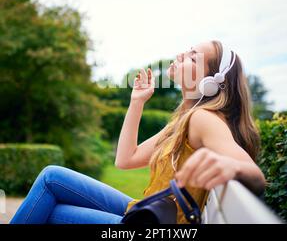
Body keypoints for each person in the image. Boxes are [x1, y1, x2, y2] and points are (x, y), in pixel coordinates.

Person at [10, 40, 266, 224]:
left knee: (50, 200)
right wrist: (137, 102)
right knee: (51, 179)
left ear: (210, 82)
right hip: (145, 211)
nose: (180, 55)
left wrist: (230, 166)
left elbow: (255, 175)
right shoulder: (183, 121)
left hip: (154, 221)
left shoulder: (202, 119)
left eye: (192, 57)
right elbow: (125, 160)